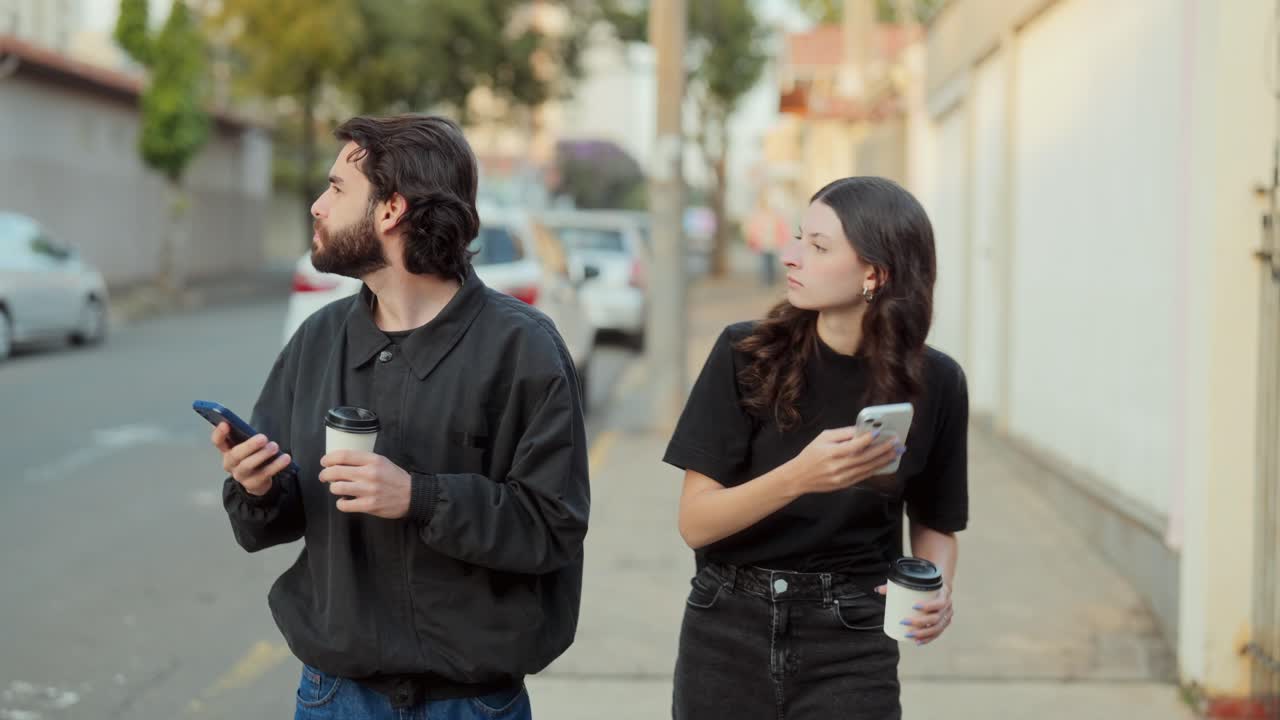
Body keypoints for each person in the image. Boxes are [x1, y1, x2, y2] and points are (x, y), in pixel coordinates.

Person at [210, 115, 589, 720]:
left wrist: (420, 496)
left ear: (391, 209)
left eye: (336, 189)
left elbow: (553, 528)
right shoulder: (318, 341)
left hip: (472, 705)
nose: (316, 205)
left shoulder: (523, 349)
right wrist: (256, 486)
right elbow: (266, 526)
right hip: (333, 698)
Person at [663, 176, 968, 719]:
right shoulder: (745, 352)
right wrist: (800, 477)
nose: (790, 257)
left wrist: (935, 586)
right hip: (727, 627)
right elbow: (696, 522)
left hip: (852, 638)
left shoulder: (937, 382)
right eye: (800, 237)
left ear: (875, 274)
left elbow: (936, 521)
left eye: (817, 246)